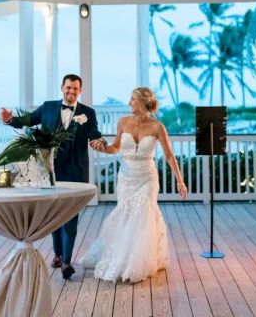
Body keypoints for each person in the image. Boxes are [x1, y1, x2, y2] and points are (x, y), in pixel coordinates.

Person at [0, 74, 105, 279]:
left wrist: (96, 141)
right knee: (54, 214)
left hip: (76, 171)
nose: (71, 92)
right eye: (68, 88)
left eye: (75, 89)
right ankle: (57, 254)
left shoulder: (88, 113)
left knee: (71, 217)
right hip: (50, 170)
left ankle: (66, 261)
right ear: (62, 88)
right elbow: (28, 120)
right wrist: (10, 119)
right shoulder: (48, 107)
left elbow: (93, 133)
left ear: (80, 90)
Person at [80, 87, 188, 282]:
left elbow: (170, 155)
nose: (129, 103)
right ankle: (123, 256)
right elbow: (115, 148)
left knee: (144, 214)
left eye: (133, 100)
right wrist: (102, 148)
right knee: (127, 215)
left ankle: (138, 263)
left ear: (142, 102)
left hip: (148, 177)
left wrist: (180, 181)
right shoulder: (123, 122)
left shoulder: (157, 127)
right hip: (126, 178)